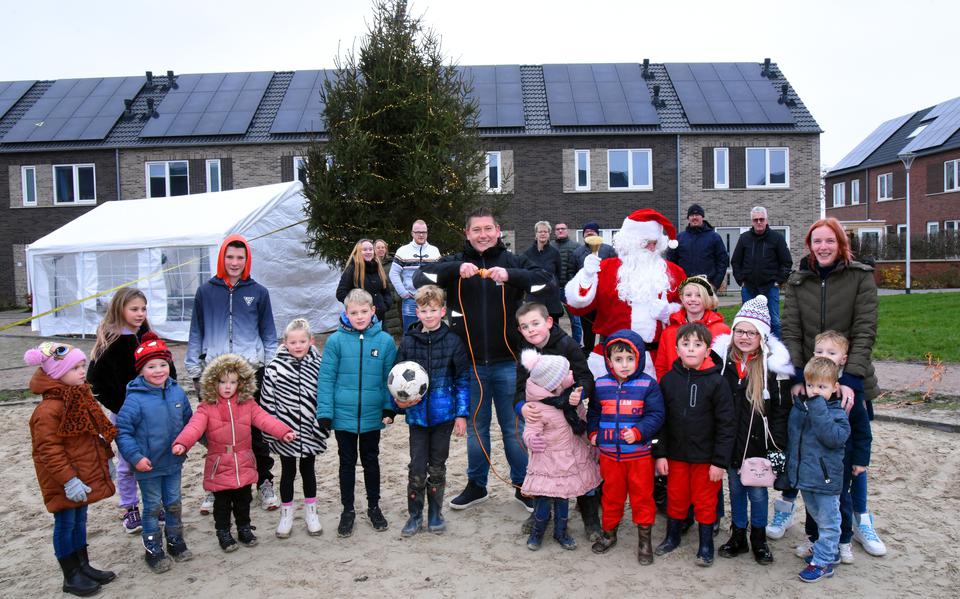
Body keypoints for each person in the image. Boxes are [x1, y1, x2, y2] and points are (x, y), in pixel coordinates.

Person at [415, 207, 552, 512]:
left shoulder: (512, 260)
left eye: (488, 229)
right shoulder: (454, 261)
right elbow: (419, 277)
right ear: (467, 233)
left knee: (513, 428)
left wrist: (512, 275)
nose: (483, 235)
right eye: (476, 230)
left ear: (497, 230)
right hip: (471, 365)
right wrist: (454, 270)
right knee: (478, 428)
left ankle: (523, 485)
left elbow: (546, 282)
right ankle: (477, 485)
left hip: (508, 362)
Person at [779, 217, 886, 557]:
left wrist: (851, 379)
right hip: (812, 382)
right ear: (809, 246)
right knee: (812, 449)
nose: (822, 247)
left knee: (852, 455)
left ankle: (860, 519)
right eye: (816, 241)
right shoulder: (798, 282)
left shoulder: (860, 277)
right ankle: (815, 528)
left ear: (840, 244)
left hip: (849, 376)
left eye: (829, 241)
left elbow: (866, 329)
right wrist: (798, 377)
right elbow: (791, 330)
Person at [186, 234, 279, 514]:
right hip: (216, 373)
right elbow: (195, 331)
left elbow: (269, 334)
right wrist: (194, 367)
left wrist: (271, 366)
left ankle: (264, 481)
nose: (235, 262)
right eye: (230, 257)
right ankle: (216, 488)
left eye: (240, 257)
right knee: (218, 435)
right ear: (222, 258)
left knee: (255, 431)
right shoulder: (205, 292)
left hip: (250, 371)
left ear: (247, 259)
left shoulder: (259, 292)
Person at [173, 354, 296, 552]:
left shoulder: (248, 404)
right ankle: (223, 532)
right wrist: (182, 443)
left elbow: (265, 420)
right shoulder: (207, 407)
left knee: (243, 500)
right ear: (214, 383)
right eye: (222, 382)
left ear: (242, 383)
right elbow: (193, 428)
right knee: (222, 504)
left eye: (233, 382)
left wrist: (284, 431)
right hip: (219, 463)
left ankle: (244, 528)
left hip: (244, 460)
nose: (228, 387)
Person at [26, 342, 117, 596]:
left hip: (84, 474)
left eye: (82, 366)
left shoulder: (80, 398)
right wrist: (69, 480)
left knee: (80, 520)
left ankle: (83, 565)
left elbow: (94, 435)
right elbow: (49, 450)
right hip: (63, 480)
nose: (81, 372)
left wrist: (106, 459)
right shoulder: (48, 410)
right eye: (75, 368)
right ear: (57, 373)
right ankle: (70, 575)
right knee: (65, 522)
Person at [87, 287, 176, 534]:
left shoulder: (149, 336)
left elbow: (168, 369)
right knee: (128, 462)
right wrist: (120, 408)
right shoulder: (111, 341)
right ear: (120, 309)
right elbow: (95, 382)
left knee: (154, 458)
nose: (140, 313)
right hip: (125, 415)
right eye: (134, 309)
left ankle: (154, 505)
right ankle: (130, 507)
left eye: (143, 309)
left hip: (156, 412)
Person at [713, 296, 793, 565]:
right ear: (732, 332)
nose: (745, 337)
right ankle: (738, 535)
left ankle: (759, 537)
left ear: (762, 336)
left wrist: (778, 445)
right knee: (734, 488)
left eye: (751, 332)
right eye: (740, 331)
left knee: (758, 493)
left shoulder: (772, 369)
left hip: (759, 444)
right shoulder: (723, 364)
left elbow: (781, 412)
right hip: (732, 441)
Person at [513, 301, 601, 541]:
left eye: (535, 323)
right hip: (544, 424)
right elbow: (519, 389)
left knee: (582, 469)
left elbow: (585, 377)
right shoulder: (525, 354)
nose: (531, 330)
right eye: (524, 326)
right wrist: (523, 407)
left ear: (549, 322)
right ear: (520, 331)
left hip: (571, 420)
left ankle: (590, 519)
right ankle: (542, 515)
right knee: (545, 471)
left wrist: (580, 392)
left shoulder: (567, 345)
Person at [316, 288, 398, 537]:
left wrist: (389, 407)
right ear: (346, 313)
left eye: (364, 311)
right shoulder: (335, 341)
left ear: (373, 311)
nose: (359, 316)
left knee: (371, 460)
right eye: (354, 312)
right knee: (347, 462)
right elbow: (326, 379)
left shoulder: (384, 341)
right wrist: (325, 413)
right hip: (344, 415)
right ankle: (348, 509)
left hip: (373, 414)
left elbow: (390, 378)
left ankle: (374, 506)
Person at [566, 209, 686, 379]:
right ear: (630, 241)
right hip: (610, 360)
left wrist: (670, 312)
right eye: (646, 242)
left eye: (655, 243)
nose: (651, 248)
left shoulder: (674, 272)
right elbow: (576, 307)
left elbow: (692, 312)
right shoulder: (606, 269)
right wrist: (586, 276)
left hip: (656, 360)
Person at [653, 323, 734, 567]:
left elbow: (726, 426)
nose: (691, 349)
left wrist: (719, 461)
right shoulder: (668, 381)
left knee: (705, 501)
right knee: (676, 497)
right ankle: (672, 535)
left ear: (707, 351)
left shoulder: (717, 384)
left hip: (706, 459)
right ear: (676, 349)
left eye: (697, 345)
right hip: (676, 456)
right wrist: (661, 454)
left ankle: (706, 543)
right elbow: (660, 422)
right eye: (685, 344)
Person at [392, 285, 470, 537]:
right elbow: (395, 379)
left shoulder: (453, 342)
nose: (429, 315)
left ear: (443, 311)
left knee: (437, 467)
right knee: (416, 468)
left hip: (443, 416)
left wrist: (461, 414)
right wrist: (398, 404)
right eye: (424, 310)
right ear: (417, 312)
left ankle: (435, 513)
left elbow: (463, 380)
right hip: (416, 418)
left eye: (433, 310)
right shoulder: (408, 341)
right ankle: (414, 515)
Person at [793, 331, 872, 566]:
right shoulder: (806, 394)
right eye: (819, 352)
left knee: (839, 503)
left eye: (831, 352)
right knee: (813, 506)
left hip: (839, 462)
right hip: (811, 464)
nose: (824, 356)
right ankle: (814, 538)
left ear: (843, 359)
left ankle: (843, 541)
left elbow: (862, 432)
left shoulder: (848, 397)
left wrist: (860, 460)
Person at [116, 333, 193, 573]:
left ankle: (175, 541)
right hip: (147, 466)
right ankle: (153, 549)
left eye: (163, 364)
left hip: (173, 462)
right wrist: (136, 458)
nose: (159, 370)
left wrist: (192, 442)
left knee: (173, 503)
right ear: (141, 370)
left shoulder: (178, 393)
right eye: (151, 366)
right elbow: (123, 432)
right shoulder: (134, 400)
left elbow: (190, 423)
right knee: (152, 507)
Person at [588, 330, 665, 565]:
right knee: (611, 497)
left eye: (630, 359)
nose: (624, 365)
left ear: (639, 358)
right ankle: (609, 533)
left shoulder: (648, 385)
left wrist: (639, 431)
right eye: (618, 359)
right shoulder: (600, 385)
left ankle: (644, 541)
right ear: (609, 361)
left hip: (639, 456)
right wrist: (593, 434)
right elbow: (594, 413)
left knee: (643, 498)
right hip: (610, 456)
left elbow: (657, 414)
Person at [259, 318, 329, 539]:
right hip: (285, 434)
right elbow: (267, 403)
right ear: (285, 342)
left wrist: (322, 426)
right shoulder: (274, 369)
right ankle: (286, 514)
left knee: (308, 471)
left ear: (311, 341)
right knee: (287, 473)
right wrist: (276, 431)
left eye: (302, 341)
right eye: (293, 342)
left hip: (310, 431)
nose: (298, 346)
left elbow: (325, 397)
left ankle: (311, 513)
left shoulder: (319, 366)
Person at [786, 357, 851, 583]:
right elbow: (794, 440)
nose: (814, 391)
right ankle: (827, 550)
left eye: (821, 387)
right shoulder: (802, 408)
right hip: (805, 476)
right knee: (816, 515)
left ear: (835, 388)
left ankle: (824, 562)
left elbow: (833, 438)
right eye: (811, 385)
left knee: (829, 520)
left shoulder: (837, 413)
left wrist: (817, 407)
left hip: (826, 479)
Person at [730, 206, 792, 338]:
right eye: (756, 220)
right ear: (752, 221)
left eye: (761, 219)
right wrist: (741, 281)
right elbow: (736, 261)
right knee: (748, 321)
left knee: (774, 321)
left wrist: (778, 281)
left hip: (770, 287)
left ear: (766, 220)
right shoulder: (744, 238)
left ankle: (776, 351)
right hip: (749, 288)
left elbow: (786, 262)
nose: (759, 222)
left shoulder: (777, 238)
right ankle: (752, 348)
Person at [654, 276, 730, 381]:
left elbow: (728, 367)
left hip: (711, 390)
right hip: (676, 389)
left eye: (699, 295)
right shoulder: (669, 332)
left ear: (707, 298)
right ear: (681, 298)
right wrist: (665, 388)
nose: (693, 299)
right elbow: (661, 367)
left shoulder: (722, 330)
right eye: (688, 295)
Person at [567, 221, 616, 354]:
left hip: (604, 296)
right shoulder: (577, 252)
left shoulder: (608, 250)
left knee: (605, 324)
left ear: (597, 234)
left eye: (592, 231)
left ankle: (605, 349)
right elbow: (571, 271)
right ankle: (588, 350)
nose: (589, 233)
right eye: (586, 232)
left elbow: (616, 269)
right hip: (586, 296)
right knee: (587, 326)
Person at [389, 220, 441, 332]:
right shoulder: (402, 251)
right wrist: (402, 292)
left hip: (431, 300)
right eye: (417, 232)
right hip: (410, 300)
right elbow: (393, 273)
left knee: (432, 333)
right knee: (410, 333)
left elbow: (439, 273)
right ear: (412, 233)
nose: (421, 235)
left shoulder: (434, 251)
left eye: (424, 232)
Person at [667, 204, 730, 292]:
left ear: (702, 217)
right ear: (688, 218)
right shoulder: (679, 238)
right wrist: (676, 282)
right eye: (691, 215)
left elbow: (722, 261)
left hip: (707, 286)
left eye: (697, 215)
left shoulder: (714, 237)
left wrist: (715, 284)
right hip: (684, 286)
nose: (694, 217)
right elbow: (671, 262)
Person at [337, 239, 394, 318]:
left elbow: (386, 291)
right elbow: (341, 293)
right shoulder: (352, 269)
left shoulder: (378, 268)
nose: (368, 252)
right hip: (361, 318)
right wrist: (357, 309)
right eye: (364, 250)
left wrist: (385, 305)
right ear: (358, 252)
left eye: (371, 249)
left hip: (379, 317)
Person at [522, 221, 564, 321]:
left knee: (553, 330)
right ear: (536, 234)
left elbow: (558, 273)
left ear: (549, 234)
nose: (543, 234)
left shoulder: (555, 253)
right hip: (534, 299)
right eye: (540, 231)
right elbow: (524, 275)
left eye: (545, 231)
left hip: (551, 300)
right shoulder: (527, 254)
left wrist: (554, 286)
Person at [551, 221, 582, 344]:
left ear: (567, 230)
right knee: (553, 319)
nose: (560, 231)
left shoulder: (576, 247)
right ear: (554, 232)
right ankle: (555, 344)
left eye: (562, 228)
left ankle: (576, 344)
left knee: (575, 320)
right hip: (553, 289)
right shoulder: (550, 246)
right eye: (557, 229)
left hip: (569, 289)